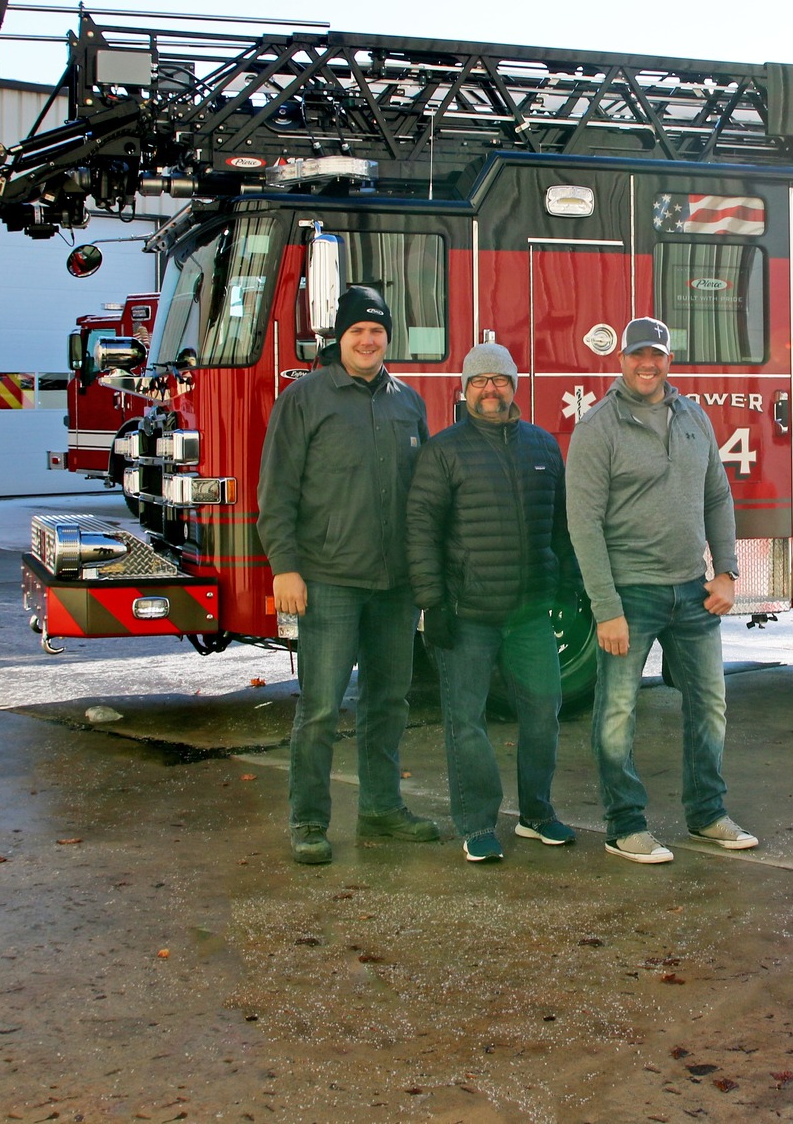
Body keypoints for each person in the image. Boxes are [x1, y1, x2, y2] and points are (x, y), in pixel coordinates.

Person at [566, 315, 759, 863]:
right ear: (621, 360)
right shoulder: (597, 427)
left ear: (669, 361)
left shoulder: (694, 417)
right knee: (616, 714)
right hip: (631, 595)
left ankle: (708, 814)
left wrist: (727, 572)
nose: (647, 364)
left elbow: (717, 496)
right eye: (637, 355)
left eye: (657, 355)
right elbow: (584, 523)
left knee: (710, 706)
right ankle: (624, 826)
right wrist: (606, 608)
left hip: (692, 592)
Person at [258, 284, 438, 865]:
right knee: (319, 708)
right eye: (357, 330)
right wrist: (285, 567)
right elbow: (276, 492)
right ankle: (309, 820)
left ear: (388, 338)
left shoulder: (408, 403)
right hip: (329, 580)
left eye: (377, 331)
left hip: (396, 587)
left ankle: (382, 808)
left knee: (389, 703)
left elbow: (424, 497)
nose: (367, 340)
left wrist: (426, 573)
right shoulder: (304, 399)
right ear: (339, 337)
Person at [406, 343, 578, 862]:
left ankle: (537, 813)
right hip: (467, 616)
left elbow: (561, 524)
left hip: (529, 616)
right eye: (479, 380)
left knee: (544, 714)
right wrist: (432, 603)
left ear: (514, 386)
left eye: (499, 379)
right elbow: (421, 530)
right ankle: (478, 824)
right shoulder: (444, 450)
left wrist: (568, 585)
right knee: (467, 722)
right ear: (465, 389)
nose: (490, 389)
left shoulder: (543, 446)